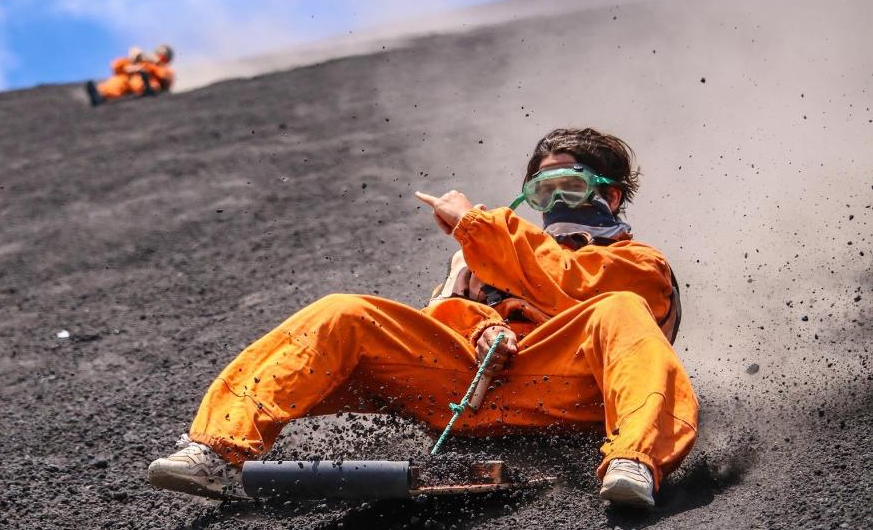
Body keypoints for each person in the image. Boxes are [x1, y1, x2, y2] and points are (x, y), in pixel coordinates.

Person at [146, 128, 699, 507]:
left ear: (611, 194)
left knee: (619, 311)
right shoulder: (488, 255)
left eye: (570, 186)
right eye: (543, 189)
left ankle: (634, 462)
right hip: (466, 393)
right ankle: (216, 450)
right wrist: (482, 326)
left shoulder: (639, 264)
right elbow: (441, 316)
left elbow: (574, 288)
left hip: (567, 395)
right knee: (344, 312)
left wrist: (478, 227)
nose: (555, 201)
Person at [84, 44, 175, 106]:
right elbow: (116, 66)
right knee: (118, 81)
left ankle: (148, 89)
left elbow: (164, 78)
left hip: (147, 81)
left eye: (163, 56)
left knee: (142, 80)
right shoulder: (142, 60)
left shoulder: (164, 69)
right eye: (159, 53)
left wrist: (154, 65)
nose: (160, 56)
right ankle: (99, 95)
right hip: (129, 79)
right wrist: (134, 59)